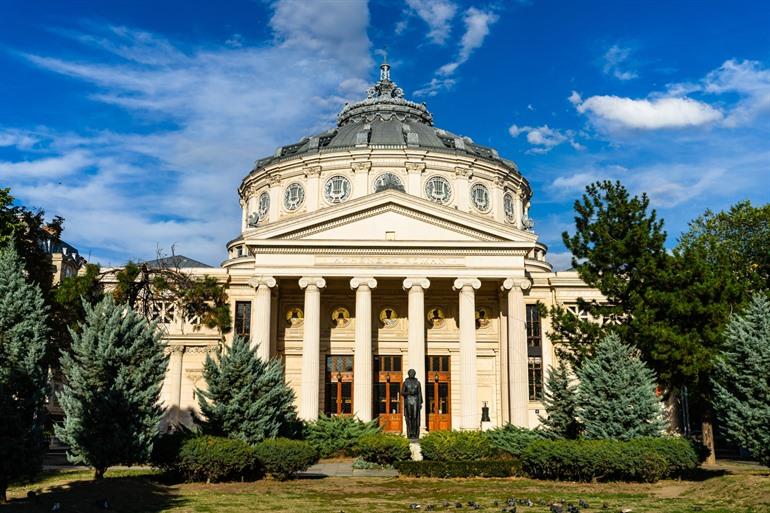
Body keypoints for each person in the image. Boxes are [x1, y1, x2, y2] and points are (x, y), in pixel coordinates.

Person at [401, 369, 423, 440]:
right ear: (408, 374)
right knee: (409, 417)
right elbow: (402, 392)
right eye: (410, 373)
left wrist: (420, 403)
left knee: (415, 417)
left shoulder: (417, 383)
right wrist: (409, 393)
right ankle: (410, 433)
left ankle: (415, 434)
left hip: (416, 401)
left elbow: (419, 393)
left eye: (413, 373)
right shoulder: (405, 383)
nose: (412, 374)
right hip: (408, 400)